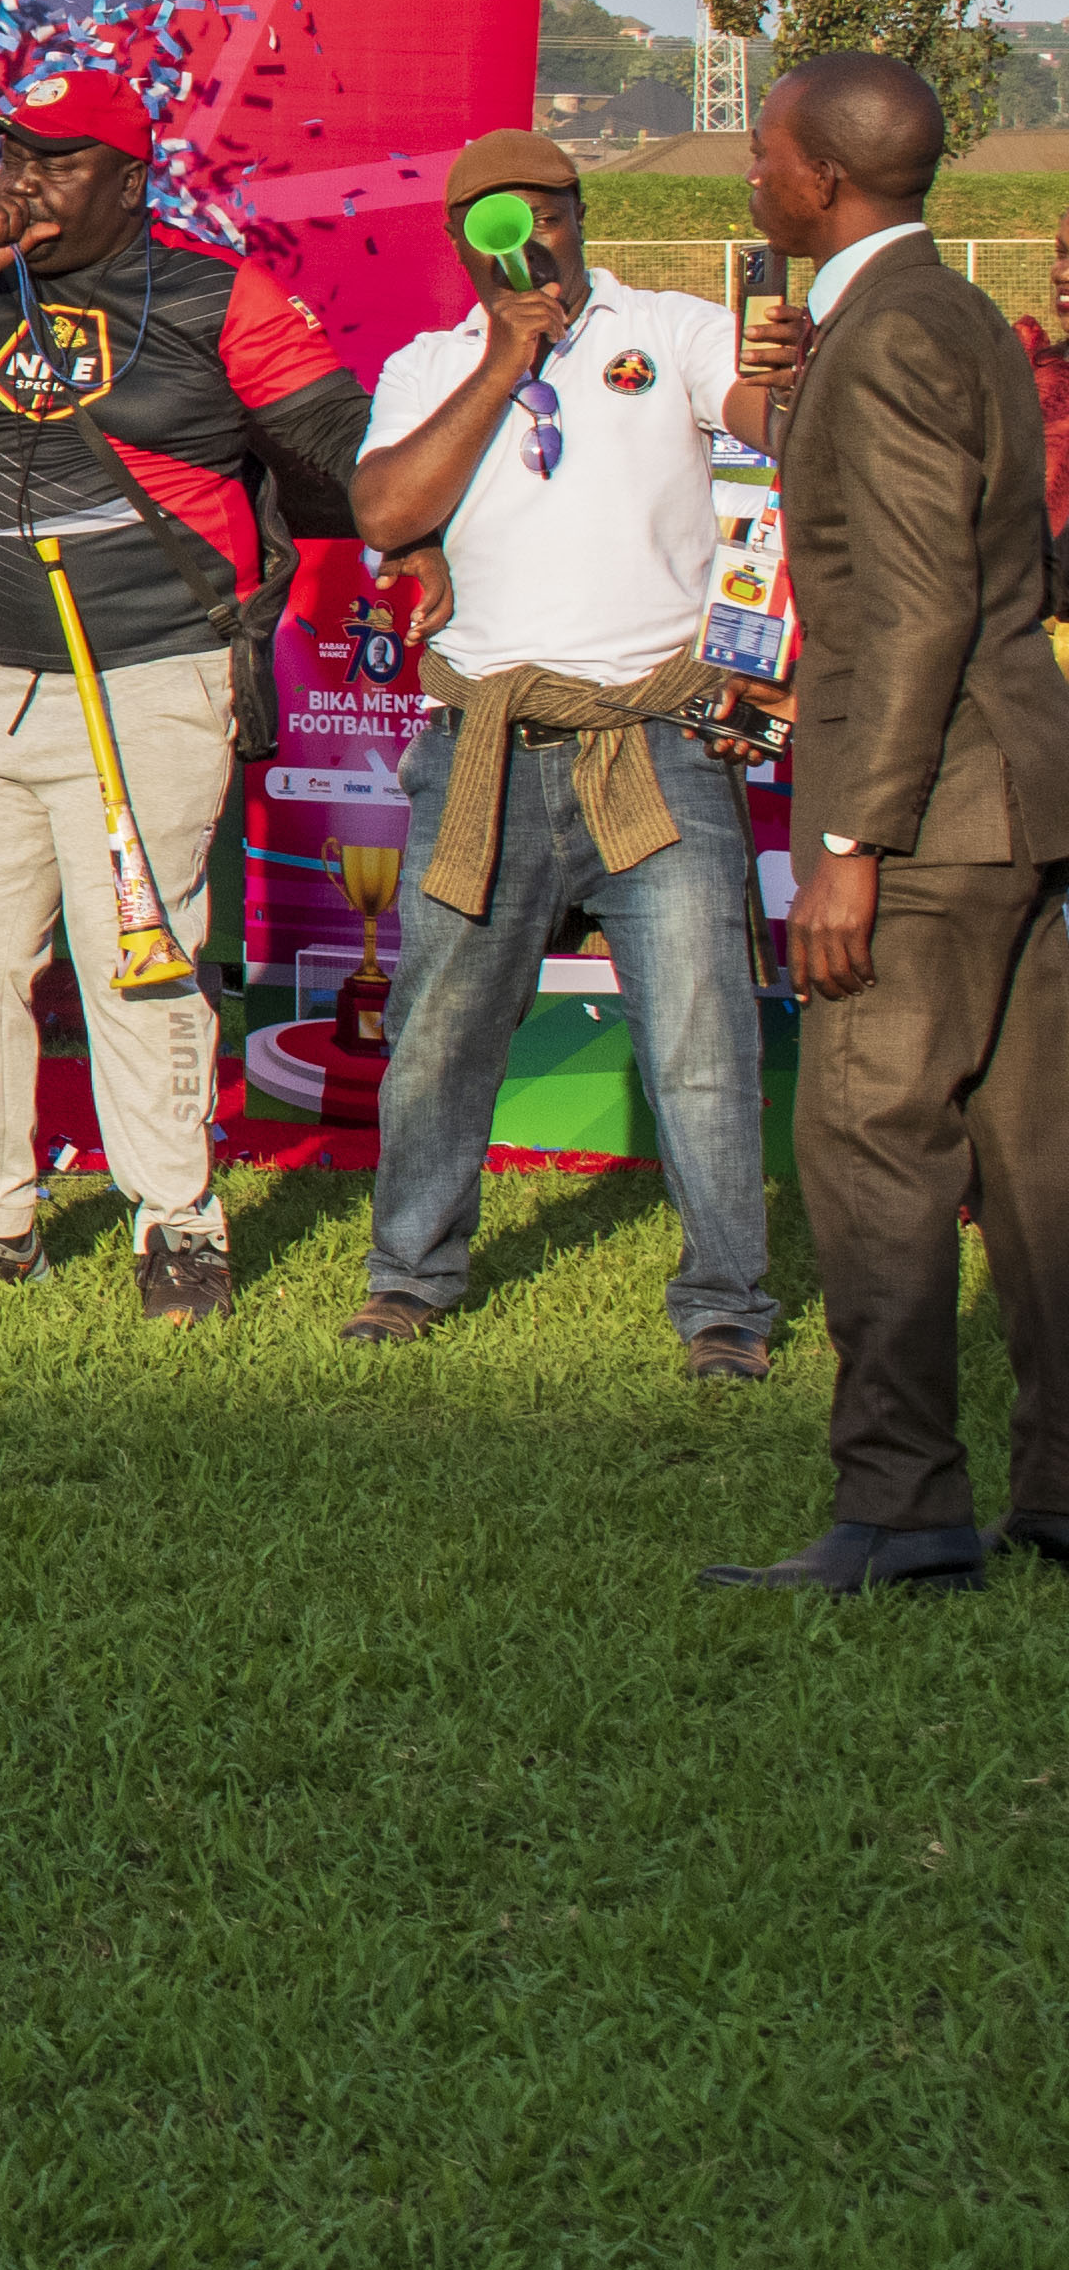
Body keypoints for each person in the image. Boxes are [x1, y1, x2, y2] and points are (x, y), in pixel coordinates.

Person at [0, 68, 368, 1323]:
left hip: (151, 676)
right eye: (11, 156)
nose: (23, 183)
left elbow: (343, 450)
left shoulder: (217, 295)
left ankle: (179, 1224)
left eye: (55, 162)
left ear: (129, 181)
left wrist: (408, 546)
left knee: (138, 959)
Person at [696, 55, 1069, 1595]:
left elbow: (919, 603)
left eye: (765, 153)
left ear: (823, 178)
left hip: (925, 817)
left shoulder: (893, 332)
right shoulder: (951, 312)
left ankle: (904, 1509)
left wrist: (849, 844)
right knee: (1034, 1159)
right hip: (1011, 798)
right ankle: (1056, 1489)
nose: (752, 176)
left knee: (871, 1143)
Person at [341, 134, 782, 1376]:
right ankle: (410, 1275)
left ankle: (726, 1306)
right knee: (441, 1029)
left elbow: (770, 420)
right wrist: (504, 357)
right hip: (486, 746)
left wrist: (788, 378)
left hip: (655, 743)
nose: (526, 244)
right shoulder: (431, 363)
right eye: (494, 227)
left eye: (544, 216)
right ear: (459, 243)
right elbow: (386, 510)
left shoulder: (670, 330)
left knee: (700, 1038)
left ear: (581, 216)